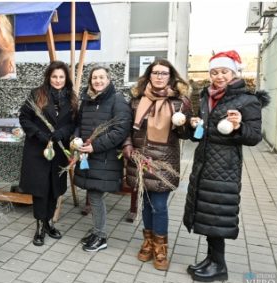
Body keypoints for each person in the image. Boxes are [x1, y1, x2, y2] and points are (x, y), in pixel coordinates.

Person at [184, 50, 269, 282]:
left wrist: (239, 126)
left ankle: (219, 266)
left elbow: (254, 137)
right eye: (214, 72)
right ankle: (211, 259)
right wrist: (194, 125)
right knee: (206, 214)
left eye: (224, 71)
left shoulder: (247, 100)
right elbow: (201, 133)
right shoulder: (206, 96)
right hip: (203, 164)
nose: (219, 76)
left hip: (225, 168)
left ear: (234, 73)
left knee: (217, 215)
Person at [123, 59, 192, 271]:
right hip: (140, 158)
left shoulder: (180, 102)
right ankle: (148, 242)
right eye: (155, 73)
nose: (159, 77)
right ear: (149, 76)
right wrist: (127, 145)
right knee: (146, 203)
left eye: (163, 73)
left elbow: (186, 135)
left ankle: (160, 247)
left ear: (170, 77)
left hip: (165, 160)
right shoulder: (137, 100)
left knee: (159, 205)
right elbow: (127, 127)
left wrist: (182, 124)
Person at [18, 61, 77, 246]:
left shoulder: (71, 97)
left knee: (54, 188)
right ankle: (39, 226)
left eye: (61, 77)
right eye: (54, 77)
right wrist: (38, 134)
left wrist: (64, 132)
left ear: (66, 78)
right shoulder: (37, 94)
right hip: (38, 149)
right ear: (48, 77)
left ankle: (49, 222)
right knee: (40, 189)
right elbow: (24, 118)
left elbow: (74, 122)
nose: (58, 80)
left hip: (59, 150)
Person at [72, 67, 131, 253]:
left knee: (96, 196)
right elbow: (78, 123)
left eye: (101, 77)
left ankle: (101, 236)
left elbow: (120, 130)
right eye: (94, 78)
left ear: (109, 79)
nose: (98, 81)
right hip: (87, 156)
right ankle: (96, 231)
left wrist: (95, 146)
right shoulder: (87, 100)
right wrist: (76, 139)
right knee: (92, 194)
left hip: (105, 158)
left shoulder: (117, 100)